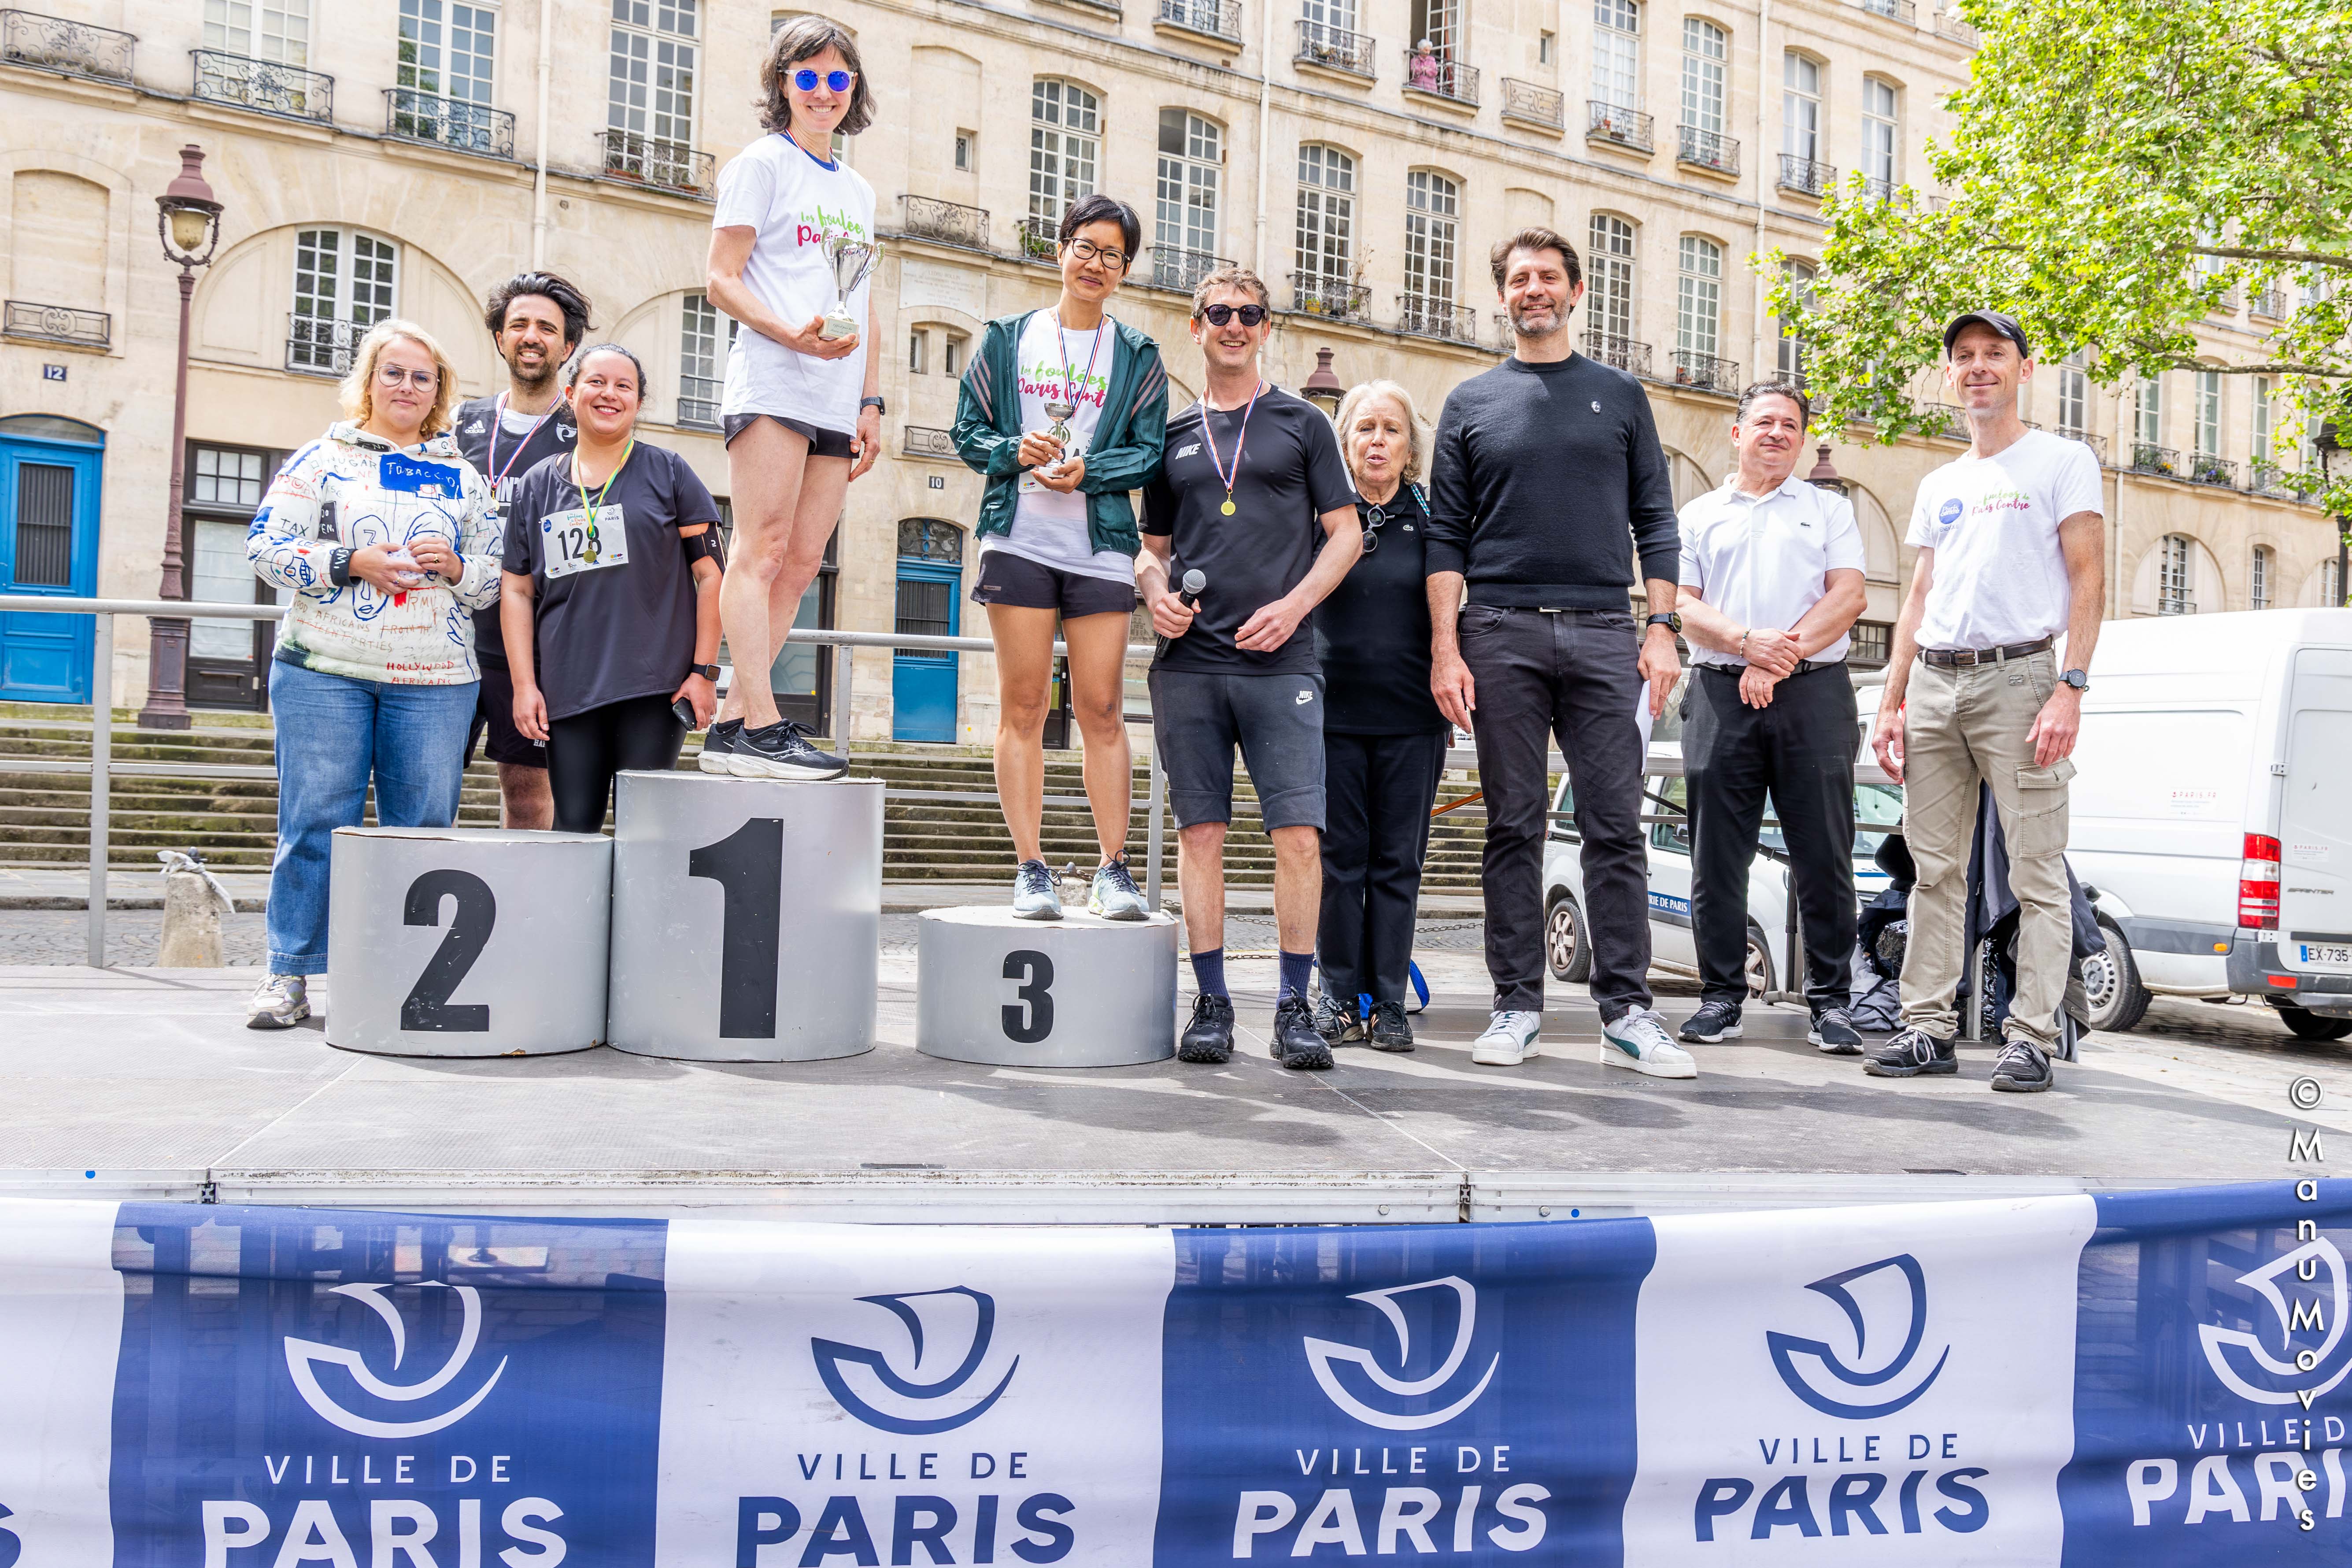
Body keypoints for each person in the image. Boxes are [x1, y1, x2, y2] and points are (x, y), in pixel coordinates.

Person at [1425, 227, 1694, 1077]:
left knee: (1615, 826)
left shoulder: (1619, 397)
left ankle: (1627, 1012)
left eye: (1548, 277)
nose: (1533, 289)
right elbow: (1445, 540)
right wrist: (1445, 648)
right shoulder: (1470, 403)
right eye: (1518, 279)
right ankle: (1516, 1006)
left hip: (1606, 632)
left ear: (1576, 293)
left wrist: (1661, 628)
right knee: (1513, 825)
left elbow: (1656, 519)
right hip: (1498, 630)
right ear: (1502, 297)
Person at [1866, 309, 2104, 1093]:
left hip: (2022, 679)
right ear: (1950, 375)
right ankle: (1928, 1029)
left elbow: (2088, 579)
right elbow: (1919, 595)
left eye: (1993, 355)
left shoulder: (2062, 461)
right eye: (1963, 356)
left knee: (2037, 870)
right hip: (1934, 681)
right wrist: (1892, 699)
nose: (1977, 367)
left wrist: (2070, 686)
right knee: (1934, 870)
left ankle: (2031, 1036)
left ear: (2023, 370)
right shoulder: (1941, 482)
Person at [242, 319, 500, 1028]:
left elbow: (492, 581)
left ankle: (404, 981)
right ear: (369, 379)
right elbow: (264, 545)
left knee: (419, 833)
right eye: (394, 372)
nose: (408, 387)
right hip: (325, 670)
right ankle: (288, 975)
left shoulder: (466, 479)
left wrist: (454, 567)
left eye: (423, 377)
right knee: (313, 824)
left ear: (439, 391)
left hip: (437, 679)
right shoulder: (320, 460)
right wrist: (347, 562)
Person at [1140, 266, 1362, 1071]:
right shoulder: (1171, 435)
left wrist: (1296, 606)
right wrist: (1152, 591)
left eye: (1250, 314)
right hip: (1191, 663)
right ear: (1194, 326)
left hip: (1282, 662)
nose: (1234, 325)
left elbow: (1346, 535)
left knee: (1299, 836)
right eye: (1219, 313)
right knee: (1201, 833)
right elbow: (1150, 549)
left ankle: (1296, 1007)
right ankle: (1213, 1004)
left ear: (1268, 328)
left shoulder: (1303, 424)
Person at [953, 193, 1167, 921]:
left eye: (1113, 254)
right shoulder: (1008, 339)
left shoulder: (1138, 355)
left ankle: (1114, 868)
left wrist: (1092, 471)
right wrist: (1013, 451)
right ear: (1061, 250)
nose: (1096, 262)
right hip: (1019, 537)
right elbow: (966, 431)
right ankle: (1031, 867)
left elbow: (1149, 452)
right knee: (1025, 705)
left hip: (1100, 545)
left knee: (1103, 708)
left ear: (1125, 269)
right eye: (1086, 246)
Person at [695, 15, 879, 781]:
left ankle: (738, 722)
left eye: (839, 78)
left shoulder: (859, 189)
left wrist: (873, 402)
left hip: (838, 394)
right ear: (783, 84)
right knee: (761, 551)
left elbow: (863, 298)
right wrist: (790, 336)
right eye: (808, 77)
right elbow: (720, 276)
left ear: (854, 89)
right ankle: (763, 720)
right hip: (774, 379)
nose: (825, 92)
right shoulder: (760, 165)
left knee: (803, 563)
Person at [1672, 382, 1869, 1054]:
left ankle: (1832, 1004)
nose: (1779, 434)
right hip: (1721, 693)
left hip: (1814, 693)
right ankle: (1721, 998)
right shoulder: (1699, 514)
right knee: (1715, 858)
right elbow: (1682, 606)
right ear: (1737, 433)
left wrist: (1774, 657)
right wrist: (1744, 644)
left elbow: (1849, 596)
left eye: (1791, 425)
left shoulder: (1828, 509)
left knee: (1825, 853)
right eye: (1765, 422)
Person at [500, 345, 724, 834]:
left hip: (655, 688)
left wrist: (704, 672)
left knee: (644, 833)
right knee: (573, 827)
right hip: (568, 688)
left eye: (625, 386)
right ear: (570, 393)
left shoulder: (670, 472)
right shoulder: (536, 484)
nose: (610, 394)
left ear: (639, 403)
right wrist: (524, 685)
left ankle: (639, 916)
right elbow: (517, 590)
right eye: (597, 382)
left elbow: (713, 577)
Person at [1311, 381, 1450, 1053]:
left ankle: (1388, 1002)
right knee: (1338, 863)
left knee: (1398, 864)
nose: (1377, 441)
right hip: (1330, 716)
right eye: (1364, 429)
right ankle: (1337, 996)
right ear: (1344, 443)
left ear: (1410, 447)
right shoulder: (1320, 519)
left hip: (1413, 719)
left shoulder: (1434, 521)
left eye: (1391, 430)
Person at [451, 271, 593, 829]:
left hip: (536, 649)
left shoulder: (587, 431)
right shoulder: (458, 423)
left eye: (546, 327)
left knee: (529, 794)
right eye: (519, 325)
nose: (531, 336)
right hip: (450, 635)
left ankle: (525, 912)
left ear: (568, 346)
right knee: (429, 786)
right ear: (499, 338)